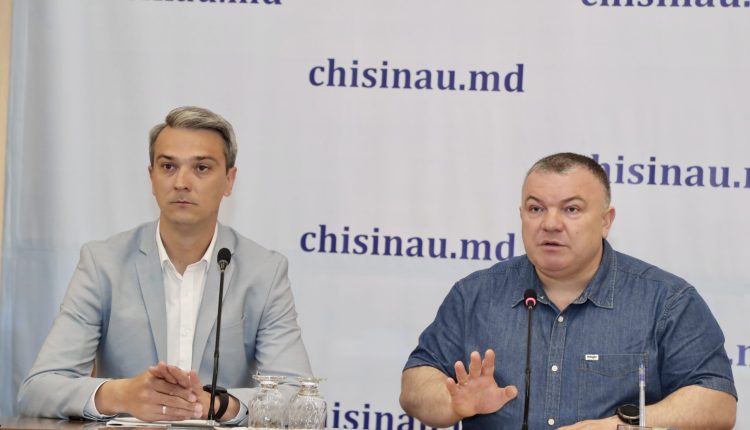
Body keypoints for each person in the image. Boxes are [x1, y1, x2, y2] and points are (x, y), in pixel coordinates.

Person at [17, 106, 312, 423]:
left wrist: (217, 404)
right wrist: (123, 394)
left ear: (229, 180)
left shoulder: (263, 271)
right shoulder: (103, 263)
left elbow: (298, 395)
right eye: (168, 166)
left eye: (201, 168)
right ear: (152, 177)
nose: (181, 182)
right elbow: (38, 389)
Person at [400, 152, 737, 429]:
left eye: (571, 209)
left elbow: (718, 403)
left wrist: (617, 426)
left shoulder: (666, 301)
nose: (550, 224)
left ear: (605, 221)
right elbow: (415, 384)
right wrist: (453, 401)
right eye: (536, 209)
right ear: (522, 215)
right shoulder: (475, 294)